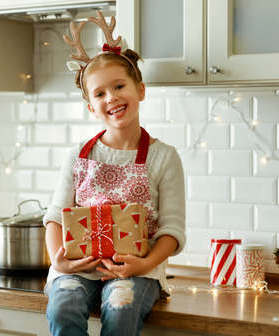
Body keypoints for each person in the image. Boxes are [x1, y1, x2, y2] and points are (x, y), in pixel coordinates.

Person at [43, 11, 186, 336]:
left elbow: (172, 230)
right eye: (100, 94)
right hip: (78, 270)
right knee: (64, 305)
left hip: (138, 271)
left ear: (140, 90)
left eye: (119, 86)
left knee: (120, 309)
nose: (112, 98)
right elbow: (54, 217)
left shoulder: (164, 157)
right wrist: (58, 261)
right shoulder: (79, 154)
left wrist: (145, 264)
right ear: (91, 107)